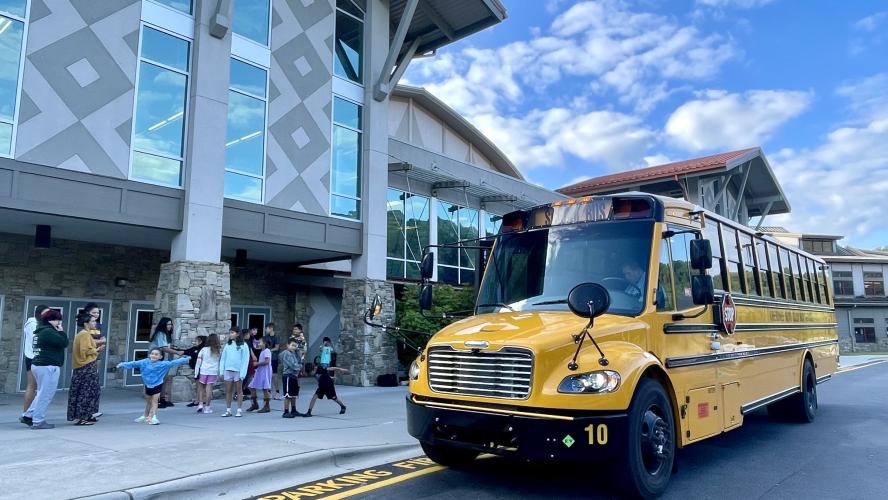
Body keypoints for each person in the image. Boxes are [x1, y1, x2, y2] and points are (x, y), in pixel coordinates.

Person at [116, 349, 191, 425]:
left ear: (160, 357)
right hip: (148, 384)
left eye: (156, 354)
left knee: (154, 401)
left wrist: (186, 359)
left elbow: (174, 362)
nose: (154, 355)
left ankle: (153, 417)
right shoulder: (144, 362)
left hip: (157, 384)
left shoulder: (163, 364)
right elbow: (134, 364)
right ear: (149, 355)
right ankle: (145, 416)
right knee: (149, 402)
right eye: (152, 353)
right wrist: (122, 365)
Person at [23, 308, 68, 429]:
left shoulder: (40, 331)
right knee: (46, 394)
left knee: (42, 392)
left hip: (39, 364)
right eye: (56, 320)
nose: (58, 322)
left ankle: (29, 414)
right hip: (48, 365)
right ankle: (38, 421)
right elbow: (64, 343)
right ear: (49, 320)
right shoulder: (48, 332)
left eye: (59, 320)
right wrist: (62, 332)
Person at [67, 312, 105, 425]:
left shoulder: (84, 334)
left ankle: (86, 415)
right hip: (86, 367)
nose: (95, 323)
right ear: (86, 323)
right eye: (92, 321)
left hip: (84, 367)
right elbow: (85, 351)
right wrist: (98, 350)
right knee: (86, 392)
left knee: (86, 391)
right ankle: (83, 417)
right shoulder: (84, 334)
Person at [20, 305, 48, 425]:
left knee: (36, 387)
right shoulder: (33, 324)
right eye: (46, 313)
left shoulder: (39, 324)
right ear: (39, 313)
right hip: (34, 357)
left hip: (34, 357)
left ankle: (30, 413)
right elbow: (37, 339)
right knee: (33, 386)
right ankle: (26, 413)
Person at [149, 317, 185, 408]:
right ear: (163, 325)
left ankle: (162, 399)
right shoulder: (160, 334)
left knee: (165, 379)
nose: (170, 326)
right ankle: (156, 401)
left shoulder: (166, 334)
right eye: (168, 324)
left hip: (164, 360)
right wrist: (177, 352)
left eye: (171, 324)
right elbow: (163, 348)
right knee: (159, 380)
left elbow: (167, 347)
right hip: (157, 360)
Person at [219, 329, 250, 417]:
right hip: (228, 370)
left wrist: (243, 374)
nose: (230, 334)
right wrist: (221, 371)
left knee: (239, 391)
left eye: (232, 333)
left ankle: (239, 410)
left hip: (238, 371)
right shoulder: (227, 345)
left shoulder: (244, 345)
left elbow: (245, 360)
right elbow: (223, 358)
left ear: (237, 334)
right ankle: (228, 410)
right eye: (230, 332)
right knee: (228, 391)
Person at [194, 333, 222, 414]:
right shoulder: (218, 351)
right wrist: (219, 373)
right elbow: (219, 363)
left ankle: (200, 404)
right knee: (209, 389)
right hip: (213, 372)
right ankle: (207, 407)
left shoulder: (203, 350)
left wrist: (196, 373)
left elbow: (198, 362)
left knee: (201, 388)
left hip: (203, 371)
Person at [247, 337, 273, 413]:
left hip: (265, 371)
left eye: (260, 342)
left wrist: (257, 363)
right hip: (260, 371)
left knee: (265, 388)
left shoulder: (267, 351)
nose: (259, 343)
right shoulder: (262, 351)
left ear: (265, 343)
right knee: (251, 386)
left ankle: (266, 406)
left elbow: (267, 361)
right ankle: (254, 404)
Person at [279, 339, 303, 418]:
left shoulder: (294, 353)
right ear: (287, 345)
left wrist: (298, 354)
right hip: (288, 375)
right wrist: (300, 367)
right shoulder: (287, 354)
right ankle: (286, 411)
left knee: (293, 394)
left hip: (294, 376)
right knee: (288, 394)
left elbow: (299, 362)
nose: (294, 347)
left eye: (295, 346)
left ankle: (293, 410)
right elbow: (293, 366)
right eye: (292, 345)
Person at [183, 336, 207, 407]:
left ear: (200, 342)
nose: (194, 342)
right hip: (201, 369)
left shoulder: (202, 350)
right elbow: (184, 351)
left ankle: (198, 400)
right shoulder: (196, 349)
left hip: (200, 369)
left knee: (199, 386)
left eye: (196, 341)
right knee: (201, 386)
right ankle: (202, 399)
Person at [264, 323, 282, 400]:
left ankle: (277, 392)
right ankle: (269, 392)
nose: (266, 330)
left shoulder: (276, 337)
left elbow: (277, 348)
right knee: (268, 375)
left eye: (267, 328)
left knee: (274, 375)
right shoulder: (266, 337)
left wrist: (269, 350)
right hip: (267, 358)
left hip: (274, 358)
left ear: (271, 328)